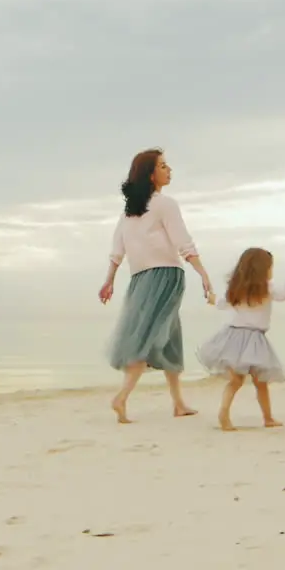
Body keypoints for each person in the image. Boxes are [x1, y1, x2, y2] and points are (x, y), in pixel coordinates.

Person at [99, 148, 215, 424]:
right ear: (151, 175)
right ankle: (122, 397)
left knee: (170, 338)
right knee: (148, 339)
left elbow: (118, 249)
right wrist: (203, 274)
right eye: (163, 166)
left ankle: (178, 403)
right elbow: (183, 242)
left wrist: (110, 280)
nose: (169, 170)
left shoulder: (129, 212)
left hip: (140, 279)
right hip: (164, 277)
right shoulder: (165, 204)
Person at [197, 248, 285, 431]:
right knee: (260, 382)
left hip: (232, 337)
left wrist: (211, 299)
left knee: (235, 381)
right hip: (254, 340)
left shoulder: (236, 288)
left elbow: (221, 303)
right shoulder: (268, 287)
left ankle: (225, 412)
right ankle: (267, 418)